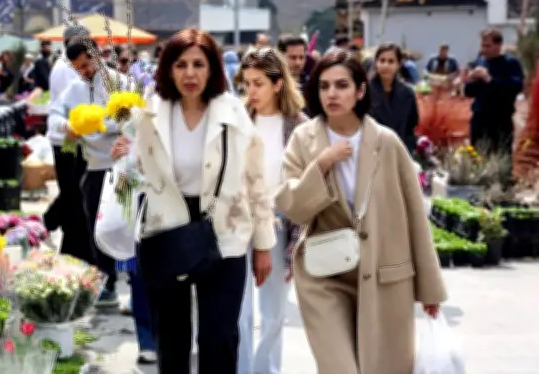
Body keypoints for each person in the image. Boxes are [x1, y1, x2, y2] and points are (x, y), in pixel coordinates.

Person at [112, 28, 275, 374]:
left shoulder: (232, 112)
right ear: (168, 69)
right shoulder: (149, 113)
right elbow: (135, 175)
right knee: (171, 340)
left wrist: (263, 244)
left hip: (225, 235)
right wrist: (123, 159)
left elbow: (255, 180)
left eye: (199, 64)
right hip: (165, 233)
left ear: (212, 68)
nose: (190, 73)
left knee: (219, 337)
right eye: (181, 64)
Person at [274, 50, 446, 373]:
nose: (332, 94)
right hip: (324, 275)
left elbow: (415, 218)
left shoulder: (387, 142)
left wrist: (429, 287)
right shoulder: (303, 139)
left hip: (384, 273)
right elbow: (290, 204)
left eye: (341, 85)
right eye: (324, 86)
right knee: (340, 368)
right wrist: (322, 163)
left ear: (360, 90)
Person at [237, 46, 307, 374]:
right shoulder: (236, 120)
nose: (250, 91)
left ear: (278, 84)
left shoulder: (300, 127)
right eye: (247, 82)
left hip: (280, 222)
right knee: (239, 311)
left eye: (258, 83)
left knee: (274, 311)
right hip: (237, 221)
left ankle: (266, 370)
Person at [49, 36, 127, 307]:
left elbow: (134, 118)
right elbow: (54, 115)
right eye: (78, 68)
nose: (83, 72)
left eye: (85, 65)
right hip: (94, 168)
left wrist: (99, 124)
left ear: (96, 55)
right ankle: (107, 281)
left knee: (126, 226)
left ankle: (130, 279)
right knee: (97, 226)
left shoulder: (121, 83)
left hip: (123, 167)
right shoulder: (74, 89)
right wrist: (66, 127)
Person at [44, 25, 94, 265]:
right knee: (73, 187)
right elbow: (71, 107)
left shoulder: (68, 66)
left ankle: (65, 235)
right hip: (67, 139)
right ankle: (50, 222)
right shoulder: (65, 69)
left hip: (70, 136)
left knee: (74, 189)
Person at [464, 28, 524, 157]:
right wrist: (471, 79)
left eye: (488, 46)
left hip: (500, 120)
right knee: (477, 157)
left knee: (500, 156)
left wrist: (489, 79)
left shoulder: (510, 63)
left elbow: (516, 87)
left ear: (498, 45)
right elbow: (468, 92)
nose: (484, 49)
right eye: (482, 45)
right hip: (479, 118)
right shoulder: (479, 62)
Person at [368, 43, 419, 153]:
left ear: (398, 64)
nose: (385, 65)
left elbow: (412, 124)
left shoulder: (407, 93)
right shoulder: (364, 92)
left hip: (400, 152)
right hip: (372, 152)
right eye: (382, 61)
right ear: (376, 63)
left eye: (391, 61)